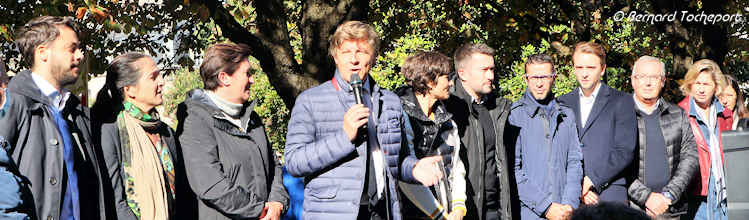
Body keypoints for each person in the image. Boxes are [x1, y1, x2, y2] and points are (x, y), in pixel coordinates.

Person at [284, 21, 440, 220]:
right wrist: (344, 137)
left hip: (382, 211)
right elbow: (294, 163)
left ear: (373, 57)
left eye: (361, 52)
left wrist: (415, 169)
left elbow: (399, 160)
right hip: (333, 213)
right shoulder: (310, 100)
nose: (354, 60)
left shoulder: (390, 101)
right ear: (335, 57)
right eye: (346, 52)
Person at [0, 16, 107, 220]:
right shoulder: (12, 103)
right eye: (71, 48)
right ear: (43, 53)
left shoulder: (77, 112)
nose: (80, 56)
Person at [176, 43, 288, 220]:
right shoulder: (195, 122)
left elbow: (274, 165)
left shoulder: (253, 119)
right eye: (247, 73)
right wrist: (260, 210)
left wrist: (277, 202)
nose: (252, 80)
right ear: (224, 78)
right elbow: (210, 183)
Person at [92, 52, 196, 220]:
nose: (161, 82)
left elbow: (182, 192)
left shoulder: (165, 132)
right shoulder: (110, 130)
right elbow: (114, 199)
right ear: (130, 89)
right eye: (153, 77)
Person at [557, 41, 637, 205]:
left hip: (609, 194)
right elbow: (557, 150)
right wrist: (577, 186)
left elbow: (624, 150)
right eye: (579, 68)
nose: (584, 73)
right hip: (570, 197)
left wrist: (592, 180)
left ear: (602, 69)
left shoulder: (622, 101)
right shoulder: (561, 103)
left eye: (591, 68)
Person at [507, 54, 583, 220]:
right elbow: (513, 170)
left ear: (554, 78)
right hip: (530, 213)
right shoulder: (514, 116)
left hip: (566, 212)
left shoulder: (567, 115)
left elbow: (574, 161)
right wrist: (546, 207)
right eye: (534, 77)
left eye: (544, 77)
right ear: (526, 79)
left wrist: (569, 204)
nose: (539, 83)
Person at [443, 43, 514, 220]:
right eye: (484, 70)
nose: (491, 76)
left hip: (495, 210)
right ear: (463, 74)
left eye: (492, 69)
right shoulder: (445, 109)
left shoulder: (498, 108)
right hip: (462, 211)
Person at [395, 51, 467, 220]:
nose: (451, 83)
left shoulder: (448, 120)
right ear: (428, 81)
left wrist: (458, 207)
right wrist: (439, 215)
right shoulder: (400, 116)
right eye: (446, 77)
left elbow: (455, 166)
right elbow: (406, 174)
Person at [625, 56, 698, 219]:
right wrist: (647, 198)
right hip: (632, 209)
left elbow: (691, 156)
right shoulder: (620, 114)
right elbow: (615, 163)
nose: (648, 82)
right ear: (633, 80)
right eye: (642, 76)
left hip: (670, 209)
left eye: (654, 77)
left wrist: (669, 195)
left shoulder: (677, 114)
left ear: (663, 81)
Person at [677, 59, 731, 220]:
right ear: (689, 84)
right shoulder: (679, 114)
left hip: (724, 194)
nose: (701, 89)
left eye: (706, 84)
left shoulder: (725, 115)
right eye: (697, 83)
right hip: (696, 195)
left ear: (716, 86)